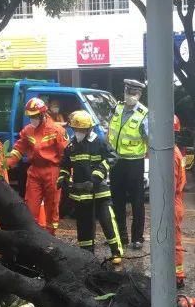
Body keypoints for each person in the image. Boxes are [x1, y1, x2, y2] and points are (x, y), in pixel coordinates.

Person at [57, 110, 123, 265]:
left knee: (107, 221)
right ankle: (87, 256)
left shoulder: (99, 142)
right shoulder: (71, 146)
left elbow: (113, 157)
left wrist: (98, 173)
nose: (78, 132)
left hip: (99, 190)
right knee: (84, 225)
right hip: (81, 194)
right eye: (76, 129)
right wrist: (63, 178)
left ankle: (116, 252)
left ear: (88, 129)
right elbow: (65, 165)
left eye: (81, 130)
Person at [7, 97, 68, 234]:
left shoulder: (56, 130)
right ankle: (33, 235)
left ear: (42, 114)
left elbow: (65, 155)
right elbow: (18, 150)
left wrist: (67, 174)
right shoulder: (28, 130)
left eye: (34, 116)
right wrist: (5, 164)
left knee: (52, 206)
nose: (32, 119)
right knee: (31, 204)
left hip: (52, 171)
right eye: (30, 116)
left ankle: (51, 236)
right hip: (34, 171)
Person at [107, 79, 149, 249]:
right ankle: (120, 236)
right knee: (116, 200)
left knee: (137, 201)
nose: (130, 96)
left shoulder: (144, 114)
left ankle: (137, 238)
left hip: (134, 163)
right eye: (128, 92)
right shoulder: (116, 109)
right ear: (124, 92)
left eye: (134, 94)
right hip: (116, 162)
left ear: (139, 95)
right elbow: (109, 130)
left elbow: (149, 139)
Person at [173, 115, 186, 289]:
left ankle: (177, 275)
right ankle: (177, 274)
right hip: (176, 201)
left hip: (171, 202)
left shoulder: (170, 153)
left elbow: (170, 184)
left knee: (173, 242)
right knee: (174, 241)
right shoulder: (175, 151)